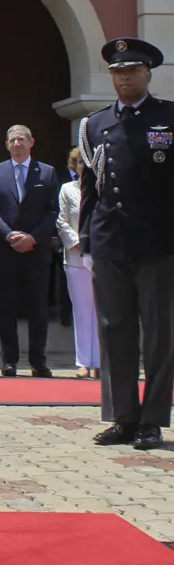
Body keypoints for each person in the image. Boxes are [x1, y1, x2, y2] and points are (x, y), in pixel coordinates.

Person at [78, 37, 174, 451]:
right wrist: (85, 239)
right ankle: (123, 416)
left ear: (148, 73)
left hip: (158, 242)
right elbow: (89, 188)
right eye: (118, 72)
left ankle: (152, 420)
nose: (124, 78)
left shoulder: (168, 117)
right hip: (110, 240)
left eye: (132, 71)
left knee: (159, 334)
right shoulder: (95, 124)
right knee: (114, 331)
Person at [0, 125, 59, 377]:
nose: (17, 143)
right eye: (12, 140)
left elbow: (52, 211)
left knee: (38, 308)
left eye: (21, 139)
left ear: (31, 142)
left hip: (36, 251)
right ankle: (9, 360)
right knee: (6, 307)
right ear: (6, 145)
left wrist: (33, 237)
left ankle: (38, 361)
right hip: (7, 249)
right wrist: (9, 234)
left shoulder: (46, 172)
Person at [55, 147, 98, 379]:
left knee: (101, 310)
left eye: (87, 162)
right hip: (75, 255)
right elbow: (62, 220)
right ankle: (83, 362)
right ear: (74, 165)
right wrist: (77, 242)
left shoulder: (102, 188)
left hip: (100, 256)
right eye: (79, 162)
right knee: (81, 311)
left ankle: (100, 362)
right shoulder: (67, 189)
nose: (83, 166)